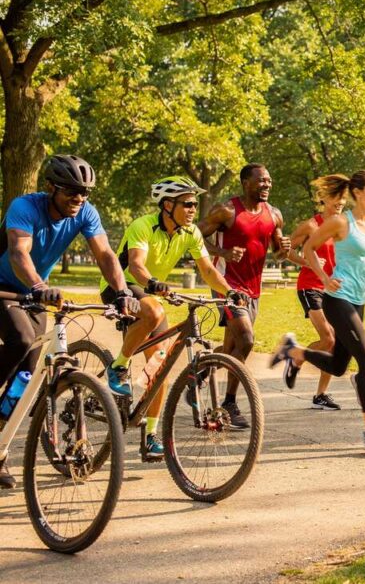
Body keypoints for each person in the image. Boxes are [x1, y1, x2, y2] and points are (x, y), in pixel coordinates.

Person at [0, 155, 140, 488]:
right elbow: (19, 252)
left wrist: (121, 292)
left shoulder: (85, 213)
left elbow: (105, 253)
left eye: (85, 193)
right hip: (7, 289)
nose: (78, 199)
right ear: (51, 187)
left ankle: (0, 452)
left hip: (36, 296)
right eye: (71, 192)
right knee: (20, 340)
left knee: (25, 376)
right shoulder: (24, 207)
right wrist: (39, 286)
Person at [101, 176, 244, 460]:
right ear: (167, 205)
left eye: (194, 204)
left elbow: (208, 271)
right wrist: (153, 283)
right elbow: (136, 264)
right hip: (123, 287)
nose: (193, 209)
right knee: (155, 310)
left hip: (152, 293)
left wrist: (230, 292)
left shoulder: (190, 233)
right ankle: (119, 366)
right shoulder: (143, 225)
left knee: (159, 367)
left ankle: (151, 437)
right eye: (187, 203)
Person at [270, 171, 365, 449]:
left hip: (360, 299)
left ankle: (294, 351)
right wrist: (323, 278)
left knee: (337, 366)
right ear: (357, 192)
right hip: (337, 298)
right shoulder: (339, 222)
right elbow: (309, 248)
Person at [198, 163, 290, 429]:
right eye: (261, 181)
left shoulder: (274, 214)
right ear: (245, 183)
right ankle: (229, 403)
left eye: (269, 181)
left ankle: (201, 368)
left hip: (253, 288)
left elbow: (278, 252)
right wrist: (223, 253)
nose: (267, 185)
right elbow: (194, 237)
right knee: (247, 341)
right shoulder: (226, 211)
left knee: (231, 349)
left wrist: (284, 248)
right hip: (226, 284)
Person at [286, 178, 344, 411]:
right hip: (310, 286)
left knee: (335, 342)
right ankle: (295, 355)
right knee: (328, 337)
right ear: (323, 199)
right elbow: (287, 251)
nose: (339, 201)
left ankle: (320, 394)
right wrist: (308, 262)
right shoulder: (311, 225)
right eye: (334, 197)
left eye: (342, 197)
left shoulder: (342, 226)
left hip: (333, 288)